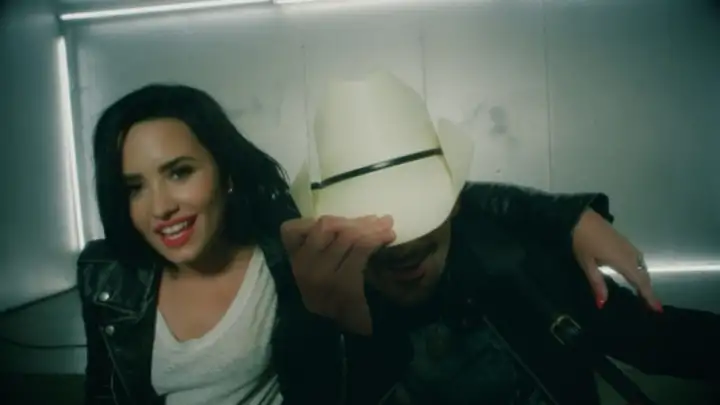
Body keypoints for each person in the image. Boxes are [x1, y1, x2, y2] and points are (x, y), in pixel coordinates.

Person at [78, 83, 659, 405]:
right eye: (133, 187)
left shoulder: (284, 250)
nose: (160, 205)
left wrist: (568, 215)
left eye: (179, 172)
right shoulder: (108, 276)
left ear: (223, 174)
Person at [281, 72, 720, 405]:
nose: (403, 244)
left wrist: (566, 216)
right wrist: (336, 335)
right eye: (372, 226)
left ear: (454, 201)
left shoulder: (525, 272)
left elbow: (663, 341)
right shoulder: (318, 320)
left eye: (418, 210)